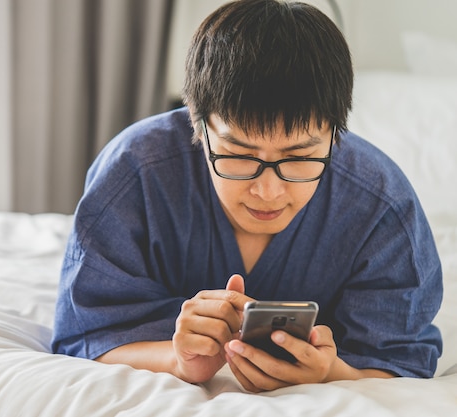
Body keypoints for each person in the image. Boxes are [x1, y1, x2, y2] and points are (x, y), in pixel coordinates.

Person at [51, 0, 443, 392]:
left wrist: (332, 374)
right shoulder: (135, 172)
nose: (268, 192)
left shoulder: (383, 207)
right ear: (197, 123)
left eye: (300, 157)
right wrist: (180, 361)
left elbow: (402, 363)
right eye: (239, 155)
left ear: (336, 134)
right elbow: (82, 337)